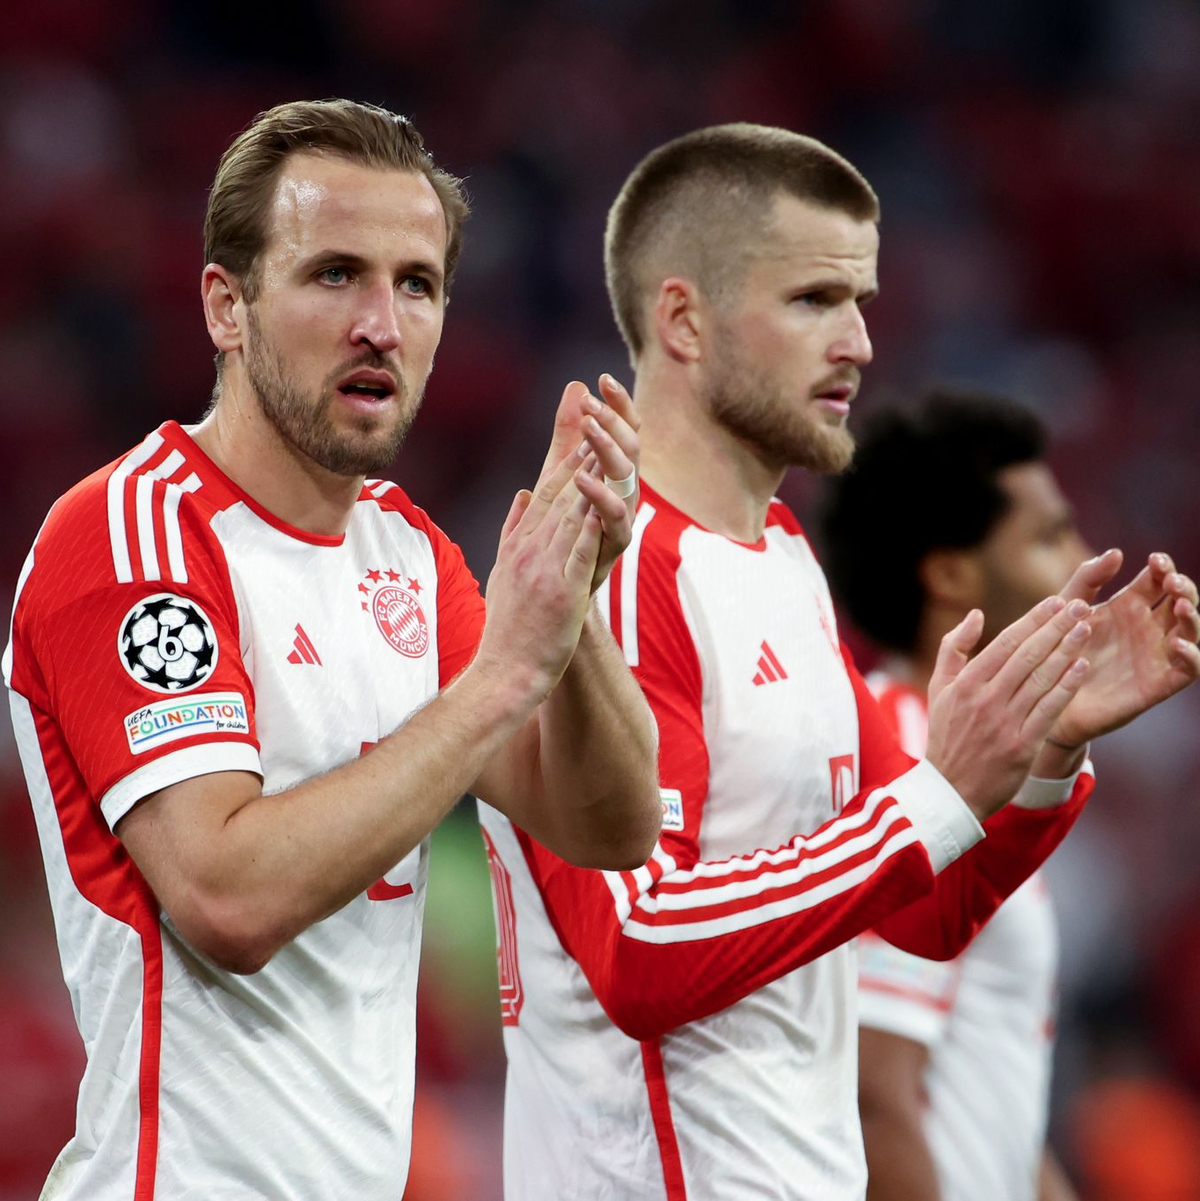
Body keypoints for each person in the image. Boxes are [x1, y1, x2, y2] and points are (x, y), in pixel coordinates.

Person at [476, 124, 1200, 1199]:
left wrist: (1043, 747)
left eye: (860, 301)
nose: (860, 341)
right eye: (815, 301)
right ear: (683, 319)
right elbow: (635, 948)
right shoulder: (612, 573)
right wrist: (936, 796)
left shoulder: (781, 558)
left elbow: (919, 910)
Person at [2, 98, 661, 1201]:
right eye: (333, 274)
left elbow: (612, 821)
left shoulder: (405, 551)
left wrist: (571, 609)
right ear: (227, 304)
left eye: (417, 283)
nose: (382, 325)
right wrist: (502, 674)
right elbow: (225, 897)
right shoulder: (130, 537)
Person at [819, 391, 1090, 1201]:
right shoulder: (904, 763)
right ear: (949, 572)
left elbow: (989, 1113)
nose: (1085, 555)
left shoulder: (972, 763)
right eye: (1049, 536)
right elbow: (872, 1094)